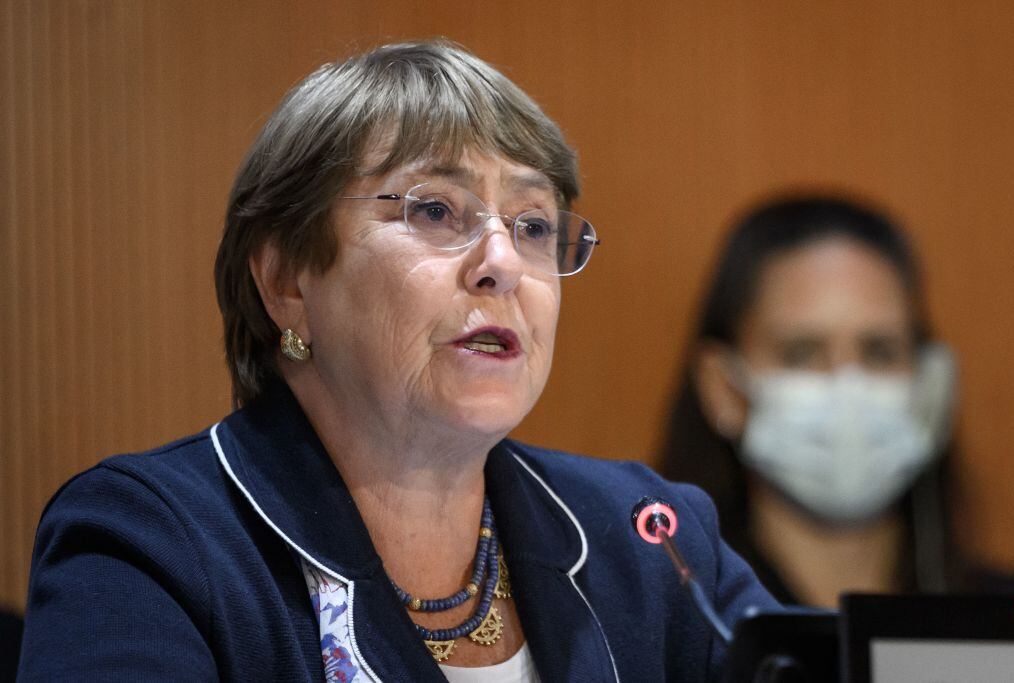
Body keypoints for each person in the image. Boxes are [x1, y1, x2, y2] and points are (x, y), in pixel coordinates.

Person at [19, 41, 776, 681]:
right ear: (286, 280)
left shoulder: (652, 539)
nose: (503, 263)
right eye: (437, 210)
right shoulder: (151, 544)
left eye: (534, 223)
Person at [660, 195, 958, 608]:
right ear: (722, 388)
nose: (847, 385)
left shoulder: (1003, 624)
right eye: (801, 353)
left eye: (879, 351)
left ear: (933, 385)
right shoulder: (671, 626)